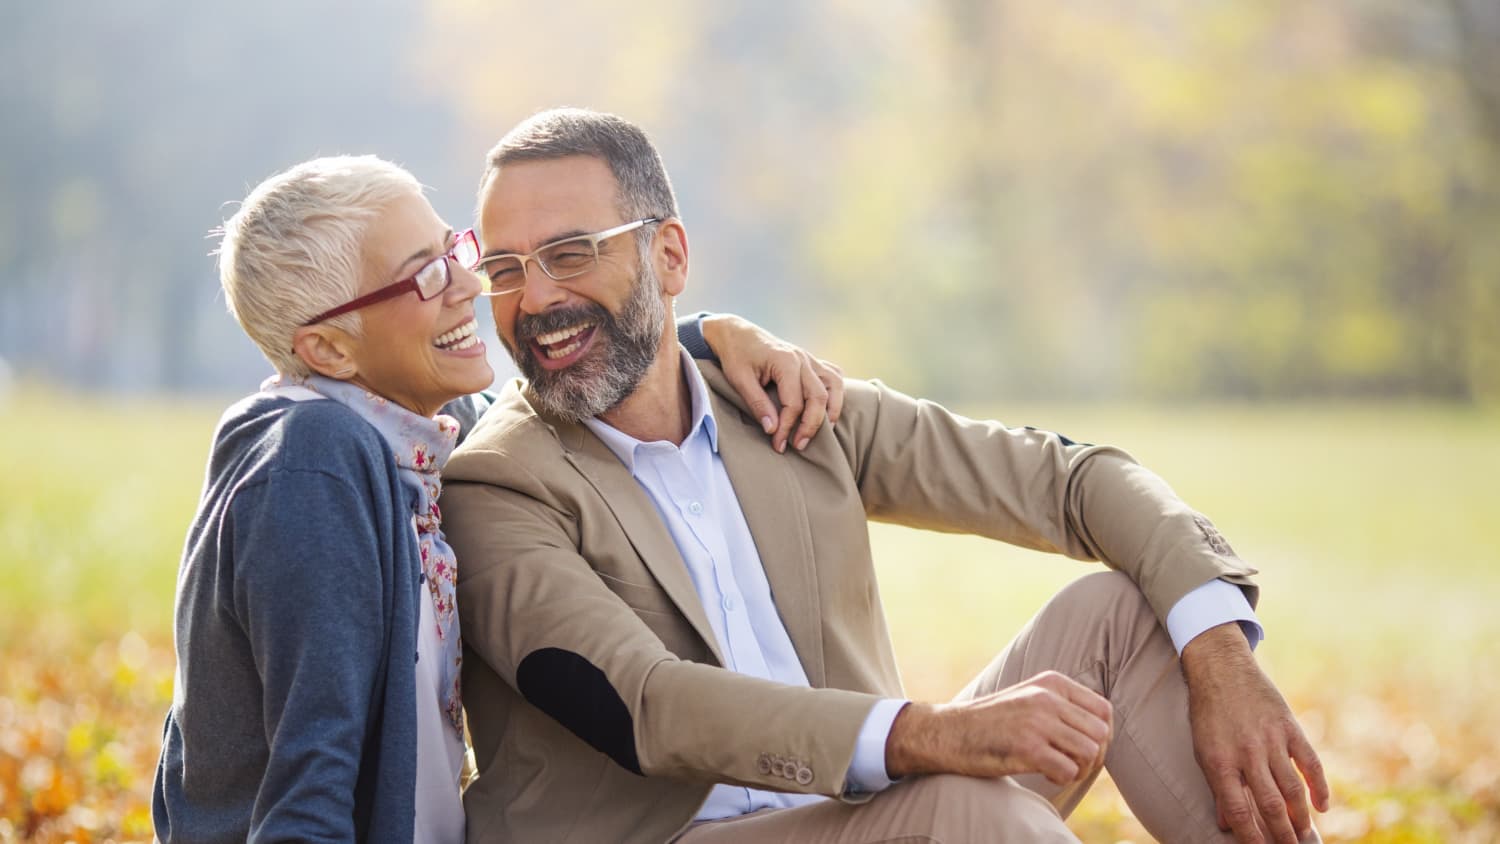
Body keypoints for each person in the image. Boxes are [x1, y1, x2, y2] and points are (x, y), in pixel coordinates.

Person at [441, 108, 1331, 844]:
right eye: (505, 270)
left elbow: (1070, 482)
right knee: (965, 806)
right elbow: (648, 706)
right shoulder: (496, 486)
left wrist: (1220, 656)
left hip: (862, 812)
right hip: (679, 836)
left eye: (571, 253)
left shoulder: (787, 400)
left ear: (669, 256)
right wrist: (929, 737)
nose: (536, 298)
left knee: (1128, 615)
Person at [149, 153, 845, 842]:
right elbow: (311, 783)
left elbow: (573, 387)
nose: (470, 285)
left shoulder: (429, 440)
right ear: (329, 351)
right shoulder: (313, 463)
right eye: (423, 275)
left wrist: (711, 335)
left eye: (452, 250)